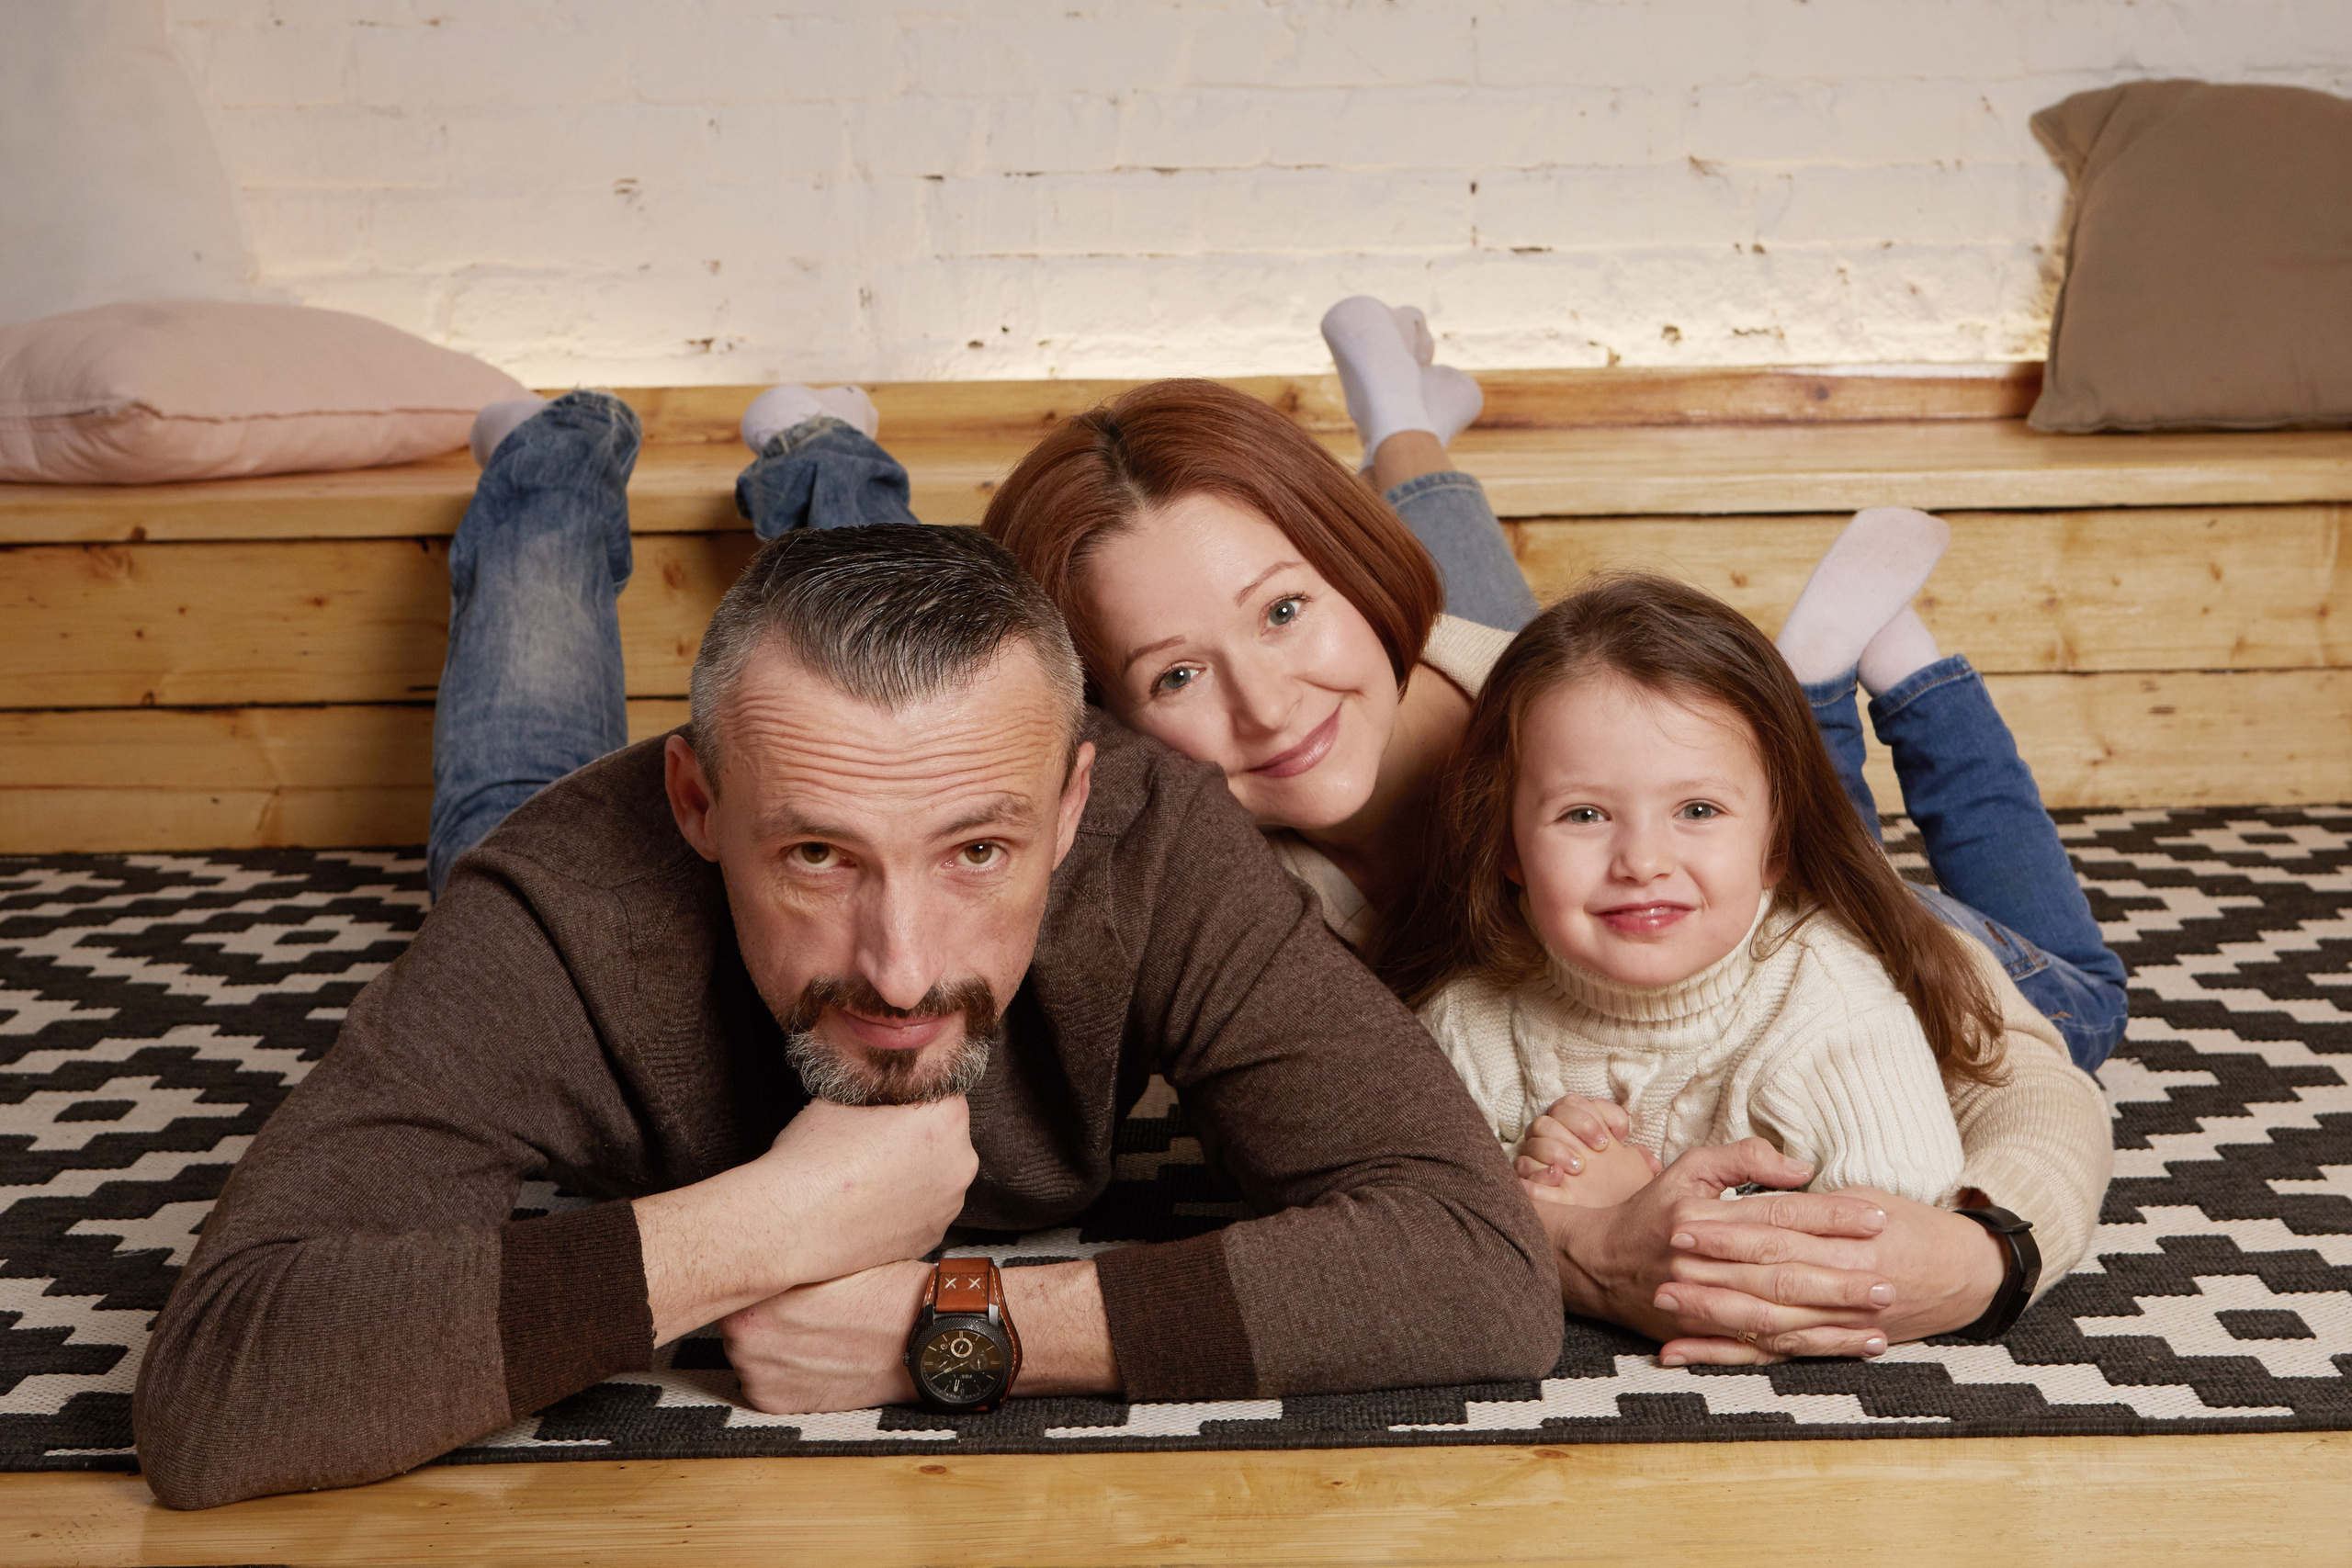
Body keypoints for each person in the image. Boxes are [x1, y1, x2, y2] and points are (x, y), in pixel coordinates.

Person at [130, 393, 1561, 1509]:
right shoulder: (555, 910)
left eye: (977, 852)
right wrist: (758, 1228)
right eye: (818, 854)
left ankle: (820, 454)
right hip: (574, 848)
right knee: (501, 781)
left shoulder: (1155, 831)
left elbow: (1476, 1265)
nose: (895, 966)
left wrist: (972, 1321)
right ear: (700, 803)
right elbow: (221, 1383)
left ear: (1071, 803)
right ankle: (543, 476)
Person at [975, 305, 2116, 1364]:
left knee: (2077, 1004)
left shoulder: (1638, 777)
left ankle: (1409, 434)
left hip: (1528, 701)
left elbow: (2013, 1066)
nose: (1269, 707)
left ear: (1355, 577)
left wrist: (1984, 1257)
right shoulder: (1191, 876)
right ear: (1110, 727)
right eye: (1175, 673)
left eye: (1286, 609)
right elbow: (1314, 1184)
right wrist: (1580, 1241)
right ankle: (1409, 422)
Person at [1385, 573, 2043, 1221]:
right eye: (1584, 815)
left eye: (1697, 808)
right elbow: (1418, 1199)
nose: (1642, 862)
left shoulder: (1836, 1011)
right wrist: (1540, 1173)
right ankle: (1817, 687)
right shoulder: (1469, 1019)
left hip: (2010, 970)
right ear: (1506, 844)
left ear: (1777, 845)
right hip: (1759, 890)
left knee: (2079, 972)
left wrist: (1636, 1207)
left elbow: (1898, 1217)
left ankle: (1907, 678)